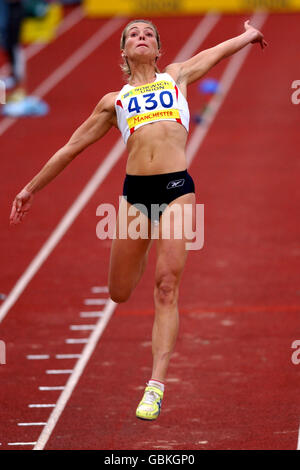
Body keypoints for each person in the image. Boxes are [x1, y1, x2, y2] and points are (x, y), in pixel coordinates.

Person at [10, 19, 267, 420]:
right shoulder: (114, 102)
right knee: (119, 291)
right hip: (135, 199)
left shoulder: (176, 76)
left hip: (178, 190)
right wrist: (30, 188)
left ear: (159, 49)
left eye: (148, 33)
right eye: (133, 34)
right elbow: (70, 149)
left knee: (167, 286)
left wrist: (249, 35)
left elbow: (214, 54)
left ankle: (155, 386)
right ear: (124, 53)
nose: (141, 37)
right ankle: (143, 247)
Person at [0, 0, 26, 101]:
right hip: (6, 8)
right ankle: (14, 80)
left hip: (13, 9)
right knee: (8, 46)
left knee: (14, 47)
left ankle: (20, 89)